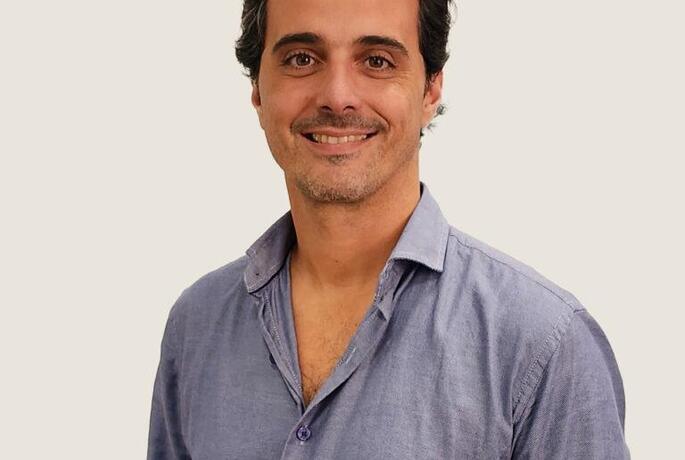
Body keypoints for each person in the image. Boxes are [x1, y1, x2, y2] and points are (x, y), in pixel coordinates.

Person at [147, 0, 630, 458]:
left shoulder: (543, 344)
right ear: (257, 88)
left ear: (431, 90)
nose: (337, 96)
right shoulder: (197, 325)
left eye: (377, 61)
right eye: (301, 58)